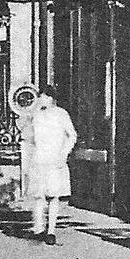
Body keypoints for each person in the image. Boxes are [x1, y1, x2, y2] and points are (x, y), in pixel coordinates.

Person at [25, 85, 77, 245]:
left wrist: (64, 153)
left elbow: (72, 135)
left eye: (43, 96)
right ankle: (39, 228)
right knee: (39, 196)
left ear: (50, 98)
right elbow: (29, 137)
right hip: (40, 159)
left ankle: (51, 231)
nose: (40, 99)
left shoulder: (61, 114)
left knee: (54, 196)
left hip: (56, 160)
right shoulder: (37, 115)